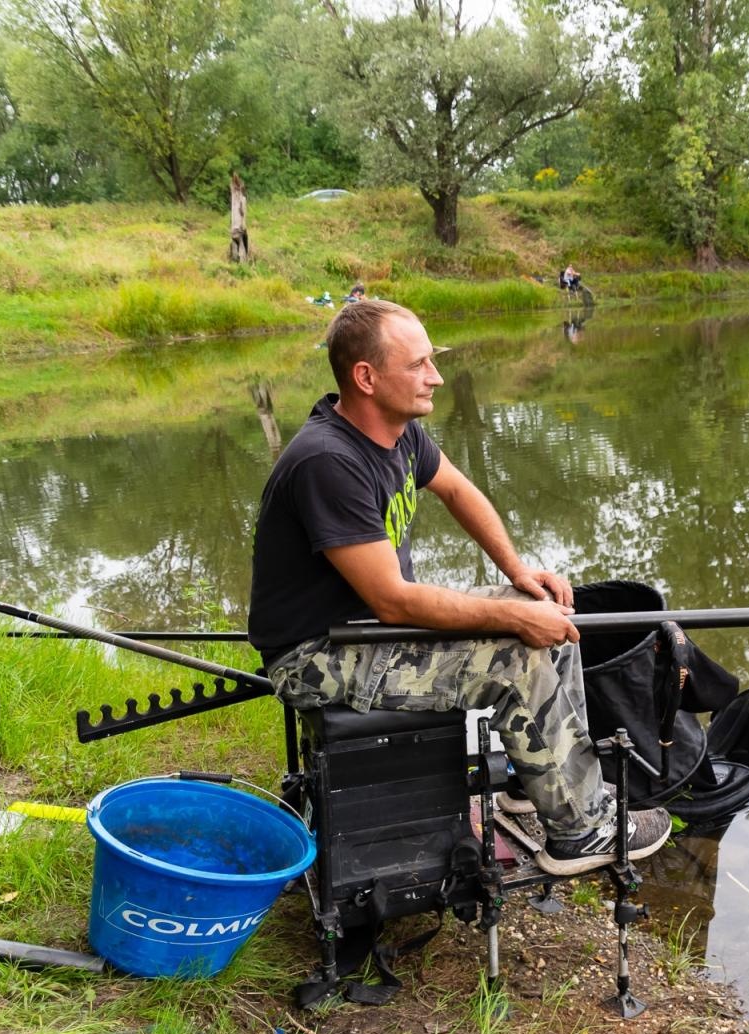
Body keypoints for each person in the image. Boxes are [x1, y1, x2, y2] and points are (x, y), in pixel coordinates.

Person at [246, 299, 669, 877]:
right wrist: (513, 622)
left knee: (545, 614)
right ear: (366, 378)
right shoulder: (328, 460)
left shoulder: (400, 435)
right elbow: (394, 600)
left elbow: (459, 492)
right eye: (419, 364)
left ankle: (536, 781)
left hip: (368, 629)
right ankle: (581, 834)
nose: (436, 377)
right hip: (316, 654)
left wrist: (518, 576)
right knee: (516, 658)